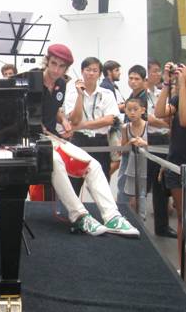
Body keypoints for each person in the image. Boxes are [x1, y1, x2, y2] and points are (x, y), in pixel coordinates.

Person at [43, 44, 139, 237]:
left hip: (52, 137)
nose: (56, 70)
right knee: (56, 161)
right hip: (32, 138)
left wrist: (63, 120)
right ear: (47, 61)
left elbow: (56, 110)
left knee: (93, 165)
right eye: (53, 64)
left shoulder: (61, 84)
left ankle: (112, 216)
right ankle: (79, 216)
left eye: (61, 67)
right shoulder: (33, 79)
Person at [64, 57, 119, 183]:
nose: (91, 73)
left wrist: (81, 126)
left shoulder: (107, 94)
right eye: (88, 70)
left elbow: (110, 120)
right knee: (75, 183)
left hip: (100, 141)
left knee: (101, 183)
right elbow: (74, 120)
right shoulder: (72, 93)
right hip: (79, 141)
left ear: (99, 74)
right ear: (82, 71)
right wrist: (80, 95)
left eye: (95, 70)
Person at [154, 62, 186, 263]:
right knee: (182, 216)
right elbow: (159, 112)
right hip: (176, 162)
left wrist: (182, 86)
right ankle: (182, 265)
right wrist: (166, 83)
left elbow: (183, 120)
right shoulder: (178, 97)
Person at [145, 59, 175, 238]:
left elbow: (168, 115)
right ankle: (138, 223)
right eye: (154, 71)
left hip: (164, 139)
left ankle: (162, 227)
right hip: (148, 140)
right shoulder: (142, 94)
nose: (158, 74)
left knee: (161, 185)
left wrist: (165, 122)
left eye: (159, 71)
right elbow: (149, 117)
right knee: (144, 185)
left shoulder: (161, 92)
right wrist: (164, 122)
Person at [121, 97, 148, 219]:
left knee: (143, 197)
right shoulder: (125, 127)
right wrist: (130, 142)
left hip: (146, 165)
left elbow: (155, 147)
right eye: (129, 109)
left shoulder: (148, 126)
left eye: (135, 109)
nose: (132, 112)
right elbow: (122, 150)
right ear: (125, 111)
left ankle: (142, 222)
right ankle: (134, 221)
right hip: (132, 165)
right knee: (132, 200)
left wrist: (144, 143)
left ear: (142, 110)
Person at [100, 59, 125, 175]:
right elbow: (110, 109)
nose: (119, 73)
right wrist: (125, 105)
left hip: (113, 128)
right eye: (116, 70)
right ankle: (102, 180)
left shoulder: (111, 86)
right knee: (117, 159)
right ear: (109, 72)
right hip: (112, 129)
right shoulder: (106, 87)